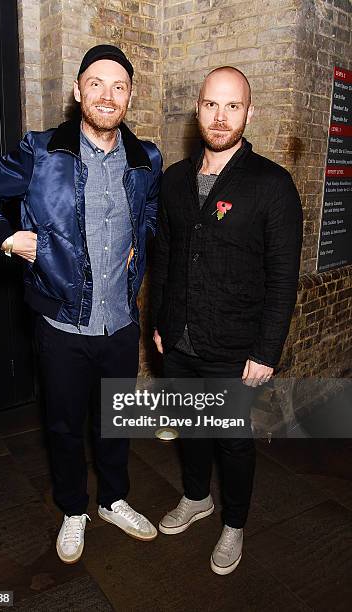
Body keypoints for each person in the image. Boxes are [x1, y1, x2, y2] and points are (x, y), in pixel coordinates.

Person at [0, 44, 162, 564]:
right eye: (96, 83)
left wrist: (140, 239)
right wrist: (8, 237)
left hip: (121, 324)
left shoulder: (147, 159)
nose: (107, 95)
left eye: (119, 86)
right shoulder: (42, 152)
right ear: (78, 91)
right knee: (64, 426)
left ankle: (114, 500)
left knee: (117, 421)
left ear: (130, 96)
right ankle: (74, 509)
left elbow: (151, 210)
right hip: (60, 324)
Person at [151, 66, 303, 575]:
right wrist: (159, 322)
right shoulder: (173, 180)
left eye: (232, 105)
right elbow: (166, 258)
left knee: (232, 439)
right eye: (212, 105)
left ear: (248, 112)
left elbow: (283, 277)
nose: (221, 116)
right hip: (179, 340)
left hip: (236, 347)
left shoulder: (272, 185)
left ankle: (234, 523)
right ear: (198, 111)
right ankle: (197, 499)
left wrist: (267, 351)